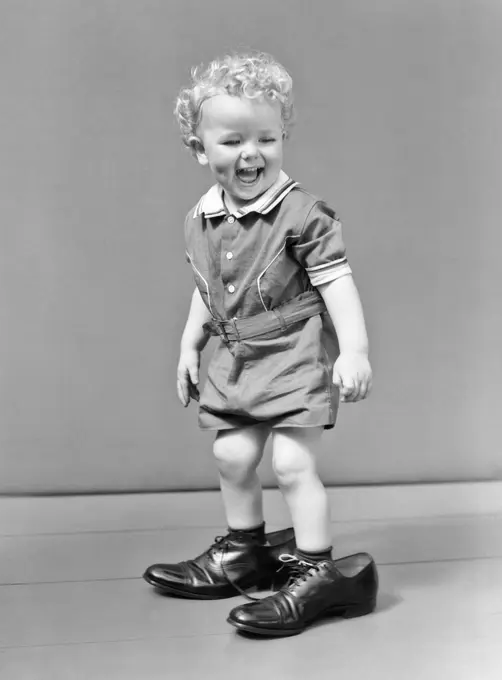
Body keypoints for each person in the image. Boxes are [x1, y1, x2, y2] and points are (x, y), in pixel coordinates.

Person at [144, 51, 378, 637]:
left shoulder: (304, 216)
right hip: (235, 356)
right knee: (231, 456)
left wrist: (354, 350)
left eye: (267, 138)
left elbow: (337, 285)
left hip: (292, 352)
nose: (252, 153)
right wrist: (187, 346)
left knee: (292, 463)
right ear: (201, 150)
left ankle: (319, 571)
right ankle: (244, 551)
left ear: (282, 139)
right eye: (232, 141)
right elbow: (206, 290)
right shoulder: (202, 217)